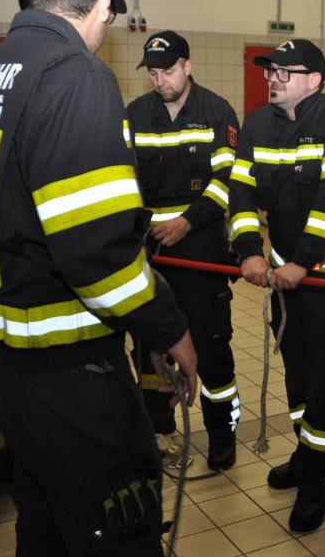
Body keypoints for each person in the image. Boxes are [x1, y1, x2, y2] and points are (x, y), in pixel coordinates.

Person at [0, 0, 197, 554]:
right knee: (116, 529)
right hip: (73, 371)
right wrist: (168, 327)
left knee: (44, 523)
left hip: (1, 362)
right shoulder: (76, 77)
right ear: (104, 0)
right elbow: (97, 253)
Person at [229, 39, 325, 532]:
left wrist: (303, 262)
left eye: (284, 72)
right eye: (270, 71)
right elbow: (241, 192)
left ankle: (317, 479)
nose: (273, 79)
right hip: (284, 280)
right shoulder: (256, 125)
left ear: (313, 80)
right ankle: (307, 453)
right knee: (295, 372)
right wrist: (249, 249)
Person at [127, 30, 241, 470]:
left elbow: (227, 181)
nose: (161, 81)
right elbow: (123, 179)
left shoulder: (216, 111)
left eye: (169, 71)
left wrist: (187, 222)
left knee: (211, 346)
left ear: (188, 66)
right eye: (153, 73)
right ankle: (159, 430)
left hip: (201, 249)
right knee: (149, 343)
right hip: (150, 250)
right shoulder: (135, 114)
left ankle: (221, 434)